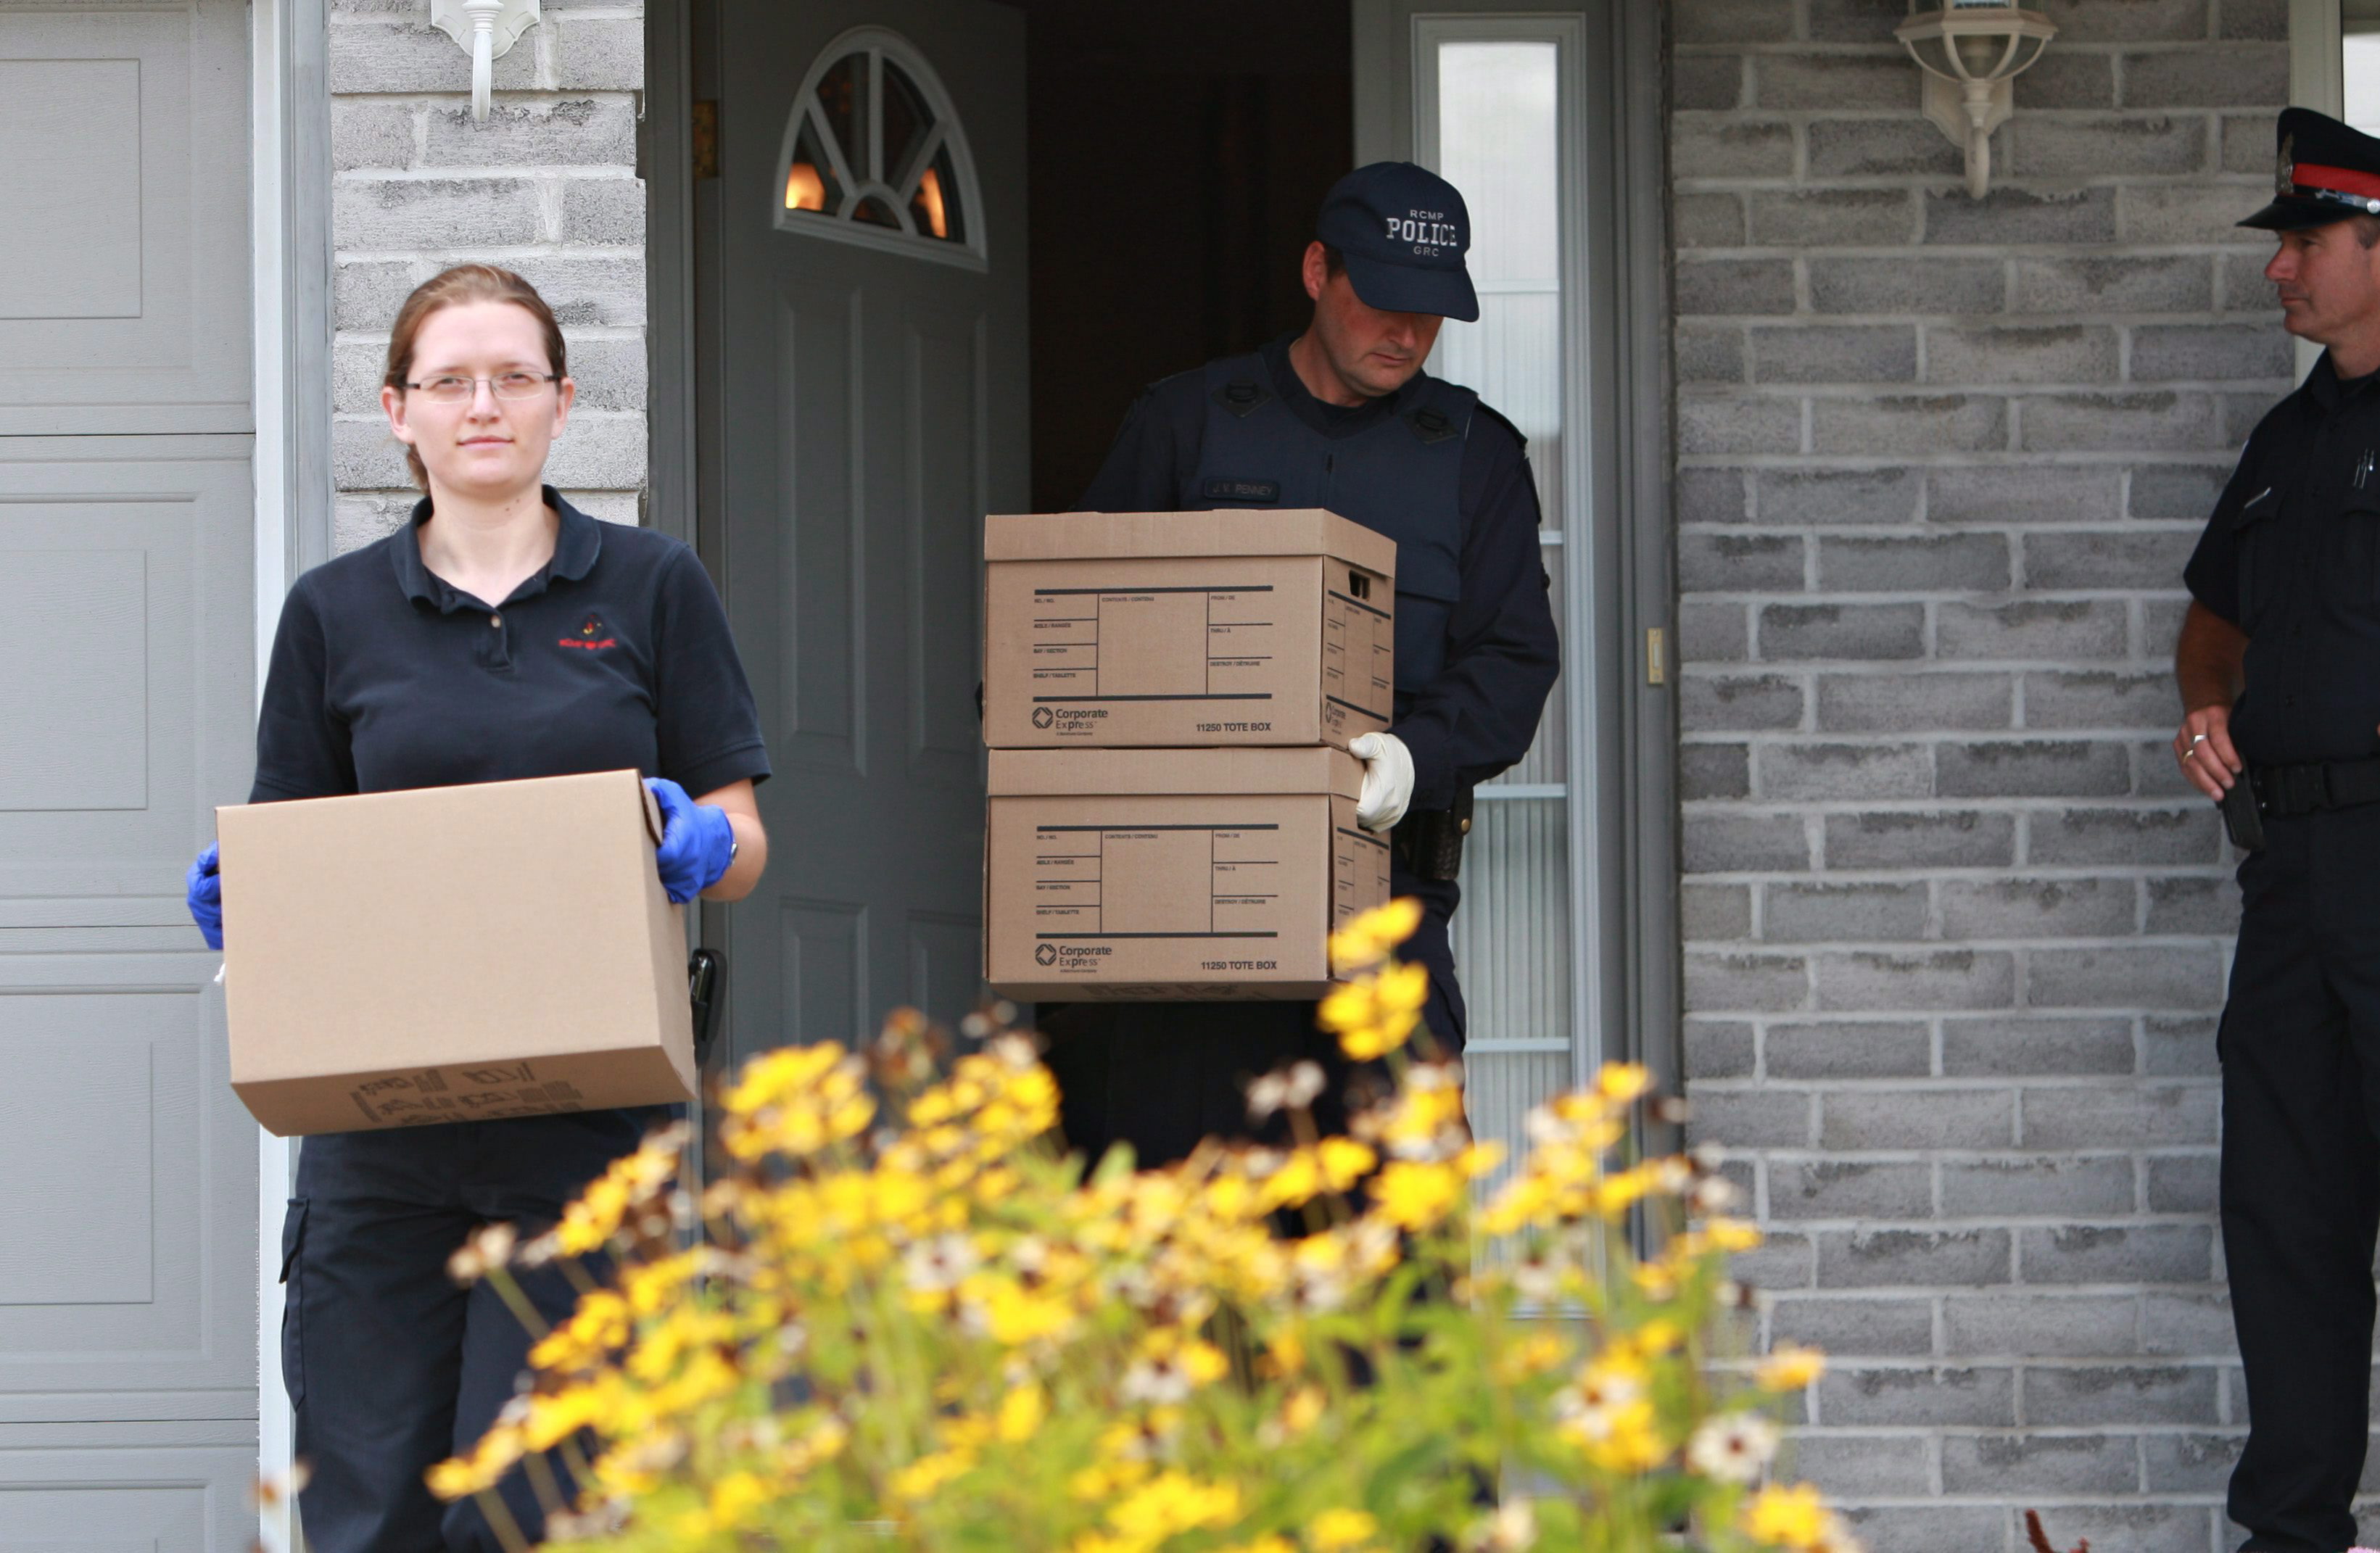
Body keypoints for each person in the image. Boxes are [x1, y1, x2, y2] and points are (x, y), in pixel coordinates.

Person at [183, 265, 771, 1552]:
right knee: (367, 1501)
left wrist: (701, 837)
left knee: (550, 1507)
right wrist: (248, 900)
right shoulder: (333, 612)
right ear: (398, 412)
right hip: (379, 1136)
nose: (483, 404)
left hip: (586, 1128)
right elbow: (293, 839)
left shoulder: (653, 586)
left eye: (513, 377)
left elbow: (746, 839)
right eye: (449, 381)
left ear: (563, 402)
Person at [1044, 162, 1559, 1167]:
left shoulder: (1474, 456)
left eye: (1431, 312)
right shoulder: (1185, 424)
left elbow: (1512, 658)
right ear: (1317, 271)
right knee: (1180, 1244)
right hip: (1181, 909)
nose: (1407, 333)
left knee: (1392, 1260)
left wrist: (1416, 754)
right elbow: (1062, 627)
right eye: (1384, 300)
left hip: (1386, 906)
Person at [2176, 108, 2380, 1553]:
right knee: (2287, 1216)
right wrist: (2204, 706)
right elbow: (2213, 616)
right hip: (2292, 875)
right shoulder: (2288, 436)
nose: (2281, 271)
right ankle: (2293, 1534)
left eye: (2306, 243)